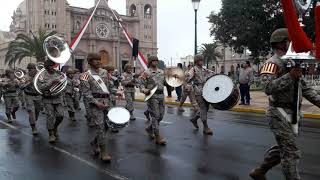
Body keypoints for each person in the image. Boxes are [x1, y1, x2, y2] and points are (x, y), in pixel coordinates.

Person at [249, 28, 320, 180]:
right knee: (291, 152)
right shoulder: (271, 63)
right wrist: (290, 76)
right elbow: (267, 88)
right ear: (282, 43)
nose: (293, 44)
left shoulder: (292, 63)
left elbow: (305, 89)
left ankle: (260, 171)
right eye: (290, 41)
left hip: (293, 113)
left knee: (284, 148)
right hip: (278, 113)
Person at [81, 53, 112, 162]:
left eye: (99, 60)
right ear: (90, 62)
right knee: (100, 127)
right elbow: (86, 93)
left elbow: (109, 86)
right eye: (95, 60)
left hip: (106, 102)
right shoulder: (85, 75)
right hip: (95, 105)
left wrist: (116, 93)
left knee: (108, 126)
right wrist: (96, 103)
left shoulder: (104, 72)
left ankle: (95, 142)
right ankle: (103, 152)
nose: (99, 61)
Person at [140, 56, 166, 145]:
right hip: (152, 96)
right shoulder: (146, 73)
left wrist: (173, 83)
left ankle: (149, 128)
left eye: (156, 60)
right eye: (153, 61)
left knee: (161, 116)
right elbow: (141, 85)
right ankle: (157, 136)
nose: (155, 62)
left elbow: (165, 82)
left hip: (161, 95)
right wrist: (144, 90)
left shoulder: (162, 72)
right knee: (155, 116)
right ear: (150, 62)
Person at [38, 60, 65, 143]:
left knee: (61, 115)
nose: (52, 67)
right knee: (50, 116)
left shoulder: (58, 73)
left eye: (53, 65)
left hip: (58, 98)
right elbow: (41, 87)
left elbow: (64, 82)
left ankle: (54, 127)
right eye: (49, 66)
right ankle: (51, 134)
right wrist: (51, 82)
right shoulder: (42, 75)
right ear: (46, 67)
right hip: (47, 98)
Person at [187, 54, 214, 135]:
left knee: (206, 108)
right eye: (200, 60)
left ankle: (194, 119)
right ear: (196, 61)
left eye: (202, 60)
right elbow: (187, 78)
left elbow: (212, 73)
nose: (201, 62)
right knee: (203, 109)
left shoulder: (204, 69)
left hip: (206, 90)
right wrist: (189, 82)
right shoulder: (193, 70)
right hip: (198, 91)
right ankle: (205, 128)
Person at [20, 63, 43, 135]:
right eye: (33, 69)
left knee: (37, 111)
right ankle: (33, 127)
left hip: (38, 96)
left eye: (35, 69)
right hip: (29, 96)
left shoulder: (39, 76)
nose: (35, 71)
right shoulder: (25, 77)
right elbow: (21, 86)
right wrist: (29, 82)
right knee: (31, 111)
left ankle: (33, 120)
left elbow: (43, 84)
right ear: (29, 70)